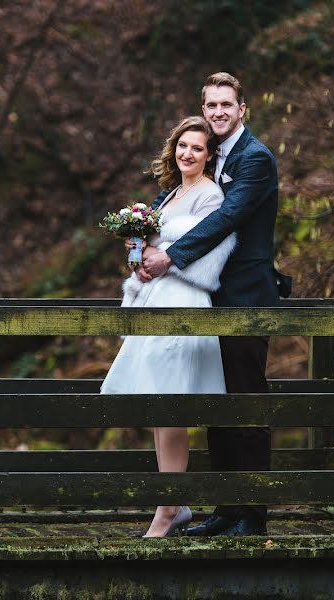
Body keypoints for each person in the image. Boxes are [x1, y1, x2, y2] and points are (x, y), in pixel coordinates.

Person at [139, 72, 280, 537]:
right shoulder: (211, 155)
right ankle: (225, 510)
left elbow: (228, 216)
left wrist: (171, 258)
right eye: (211, 105)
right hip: (208, 298)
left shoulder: (255, 159)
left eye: (226, 104)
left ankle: (252, 516)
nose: (218, 112)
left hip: (246, 299)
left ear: (243, 109)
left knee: (246, 404)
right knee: (218, 406)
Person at [101, 115, 236, 538]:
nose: (187, 153)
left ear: (209, 154)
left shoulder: (210, 196)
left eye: (197, 148)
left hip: (183, 303)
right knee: (159, 408)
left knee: (173, 406)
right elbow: (164, 249)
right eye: (182, 146)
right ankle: (174, 506)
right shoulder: (170, 194)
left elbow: (209, 253)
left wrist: (164, 258)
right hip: (156, 301)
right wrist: (140, 249)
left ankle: (168, 507)